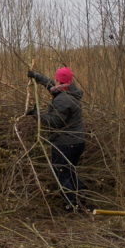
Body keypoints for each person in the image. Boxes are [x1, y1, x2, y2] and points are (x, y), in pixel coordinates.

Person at [26, 66, 86, 211]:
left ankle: (72, 204)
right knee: (69, 171)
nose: (54, 80)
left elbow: (55, 122)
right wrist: (36, 76)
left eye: (56, 78)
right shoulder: (69, 91)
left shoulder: (63, 100)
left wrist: (36, 114)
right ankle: (83, 196)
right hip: (76, 142)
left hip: (66, 143)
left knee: (62, 173)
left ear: (59, 79)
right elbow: (51, 86)